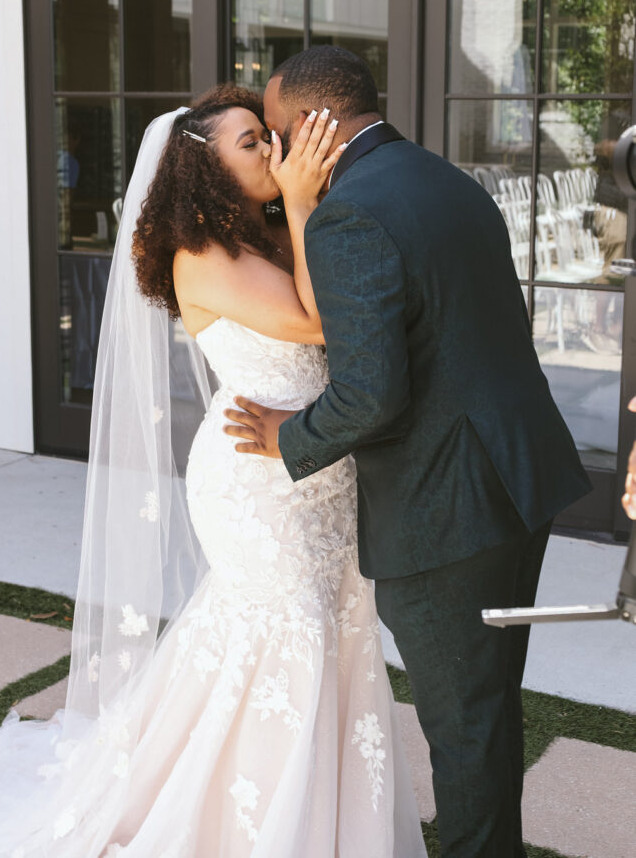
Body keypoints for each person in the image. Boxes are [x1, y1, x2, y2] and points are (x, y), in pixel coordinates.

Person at [0, 84, 427, 857]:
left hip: (317, 471)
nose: (272, 151)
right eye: (252, 142)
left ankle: (324, 813)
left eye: (266, 137)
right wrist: (306, 203)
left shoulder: (267, 242)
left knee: (326, 632)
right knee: (285, 635)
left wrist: (301, 212)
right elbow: (316, 320)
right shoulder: (200, 257)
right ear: (203, 169)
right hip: (255, 475)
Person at [224, 46, 593, 858]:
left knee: (463, 722)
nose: (277, 152)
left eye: (278, 133)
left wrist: (288, 434)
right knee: (487, 704)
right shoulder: (445, 179)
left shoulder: (350, 214)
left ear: (310, 127)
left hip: (448, 502)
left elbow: (368, 396)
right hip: (512, 475)